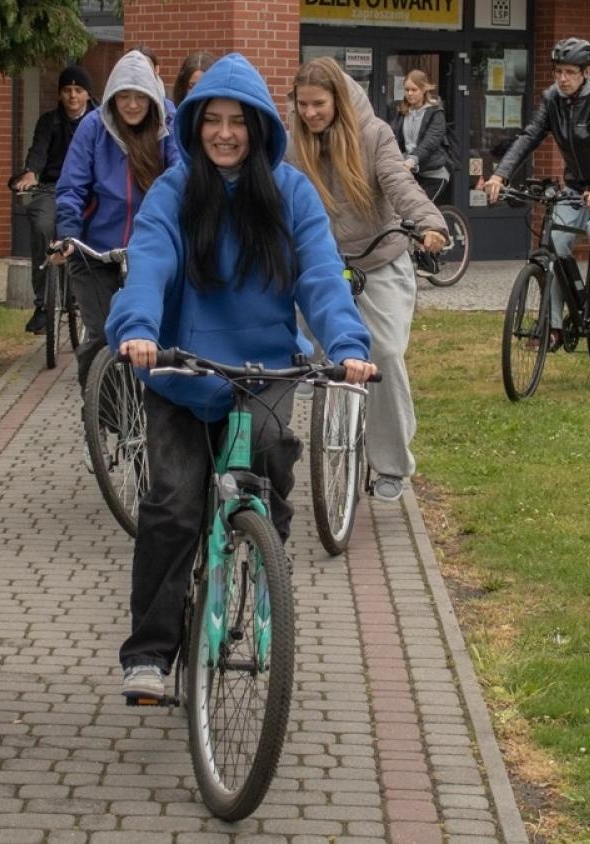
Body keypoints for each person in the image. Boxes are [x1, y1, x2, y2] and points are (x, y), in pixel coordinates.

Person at [105, 52, 375, 701]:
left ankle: (261, 548)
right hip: (179, 368)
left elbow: (320, 273)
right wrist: (139, 328)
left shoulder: (290, 192)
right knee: (172, 503)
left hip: (262, 366)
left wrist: (346, 343)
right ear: (195, 125)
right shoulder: (174, 189)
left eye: (239, 122)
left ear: (259, 128)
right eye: (212, 121)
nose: (225, 133)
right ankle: (151, 650)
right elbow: (149, 259)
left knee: (267, 455)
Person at [287, 57, 447, 502]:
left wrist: (429, 223)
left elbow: (401, 184)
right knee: (284, 349)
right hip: (320, 265)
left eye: (318, 104)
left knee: (386, 354)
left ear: (337, 99)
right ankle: (268, 456)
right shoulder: (292, 143)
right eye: (302, 105)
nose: (310, 114)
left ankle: (392, 465)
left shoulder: (374, 134)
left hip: (380, 260)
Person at [482, 37, 590, 340]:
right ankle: (551, 326)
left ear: (586, 72)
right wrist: (500, 175)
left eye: (569, 72)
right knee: (554, 245)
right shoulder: (552, 98)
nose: (562, 79)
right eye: (558, 72)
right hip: (577, 186)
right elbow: (529, 137)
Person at [55, 49, 179, 381]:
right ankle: (100, 413)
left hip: (151, 252)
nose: (132, 105)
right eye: (124, 96)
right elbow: (72, 186)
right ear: (111, 96)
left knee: (154, 337)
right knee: (101, 337)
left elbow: (182, 182)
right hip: (96, 251)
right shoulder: (93, 128)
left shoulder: (168, 125)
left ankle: (151, 413)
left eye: (140, 96)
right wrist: (68, 233)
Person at [10, 64, 95, 334]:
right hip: (53, 188)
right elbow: (38, 151)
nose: (72, 96)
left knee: (91, 232)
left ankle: (89, 296)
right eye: (67, 90)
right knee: (43, 226)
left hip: (88, 190)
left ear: (88, 95)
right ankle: (43, 305)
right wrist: (31, 174)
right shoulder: (50, 121)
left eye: (78, 90)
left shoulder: (99, 120)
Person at [391, 69, 451, 202]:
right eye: (407, 90)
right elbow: (394, 139)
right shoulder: (403, 112)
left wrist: (412, 160)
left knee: (421, 212)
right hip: (411, 173)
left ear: (424, 89)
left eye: (414, 89)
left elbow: (430, 142)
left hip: (433, 175)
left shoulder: (435, 113)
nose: (409, 93)